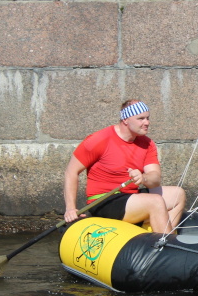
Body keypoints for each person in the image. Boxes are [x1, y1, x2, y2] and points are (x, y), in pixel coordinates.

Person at [64, 100, 186, 234]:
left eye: (147, 118)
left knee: (178, 194)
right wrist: (70, 208)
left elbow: (155, 179)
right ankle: (166, 241)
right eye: (141, 118)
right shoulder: (98, 140)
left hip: (131, 196)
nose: (147, 122)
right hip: (103, 200)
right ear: (126, 120)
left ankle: (159, 234)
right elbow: (71, 171)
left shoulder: (147, 144)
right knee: (155, 201)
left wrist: (143, 178)